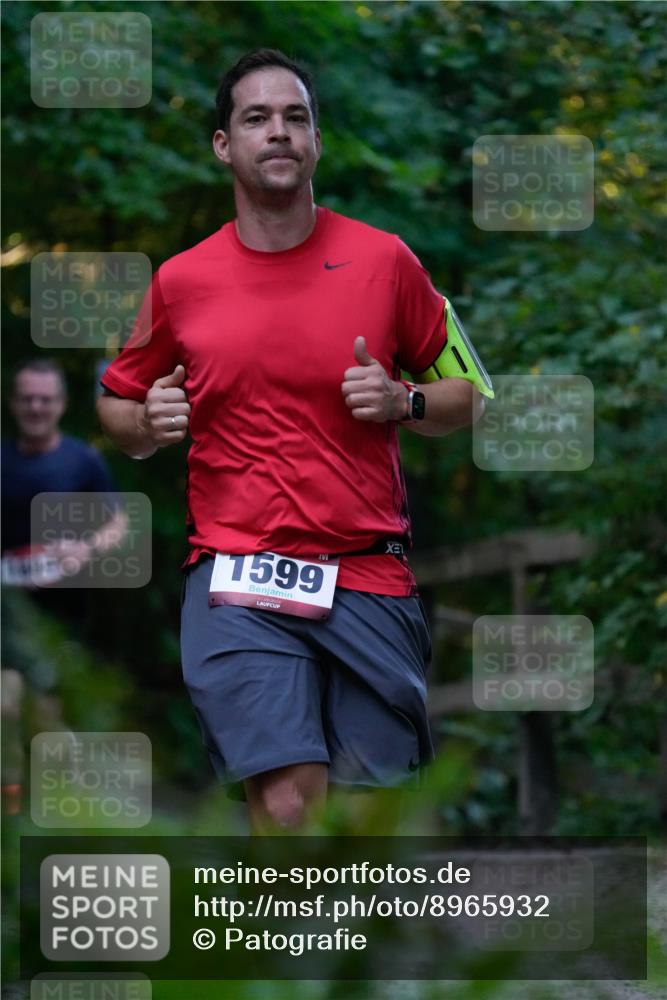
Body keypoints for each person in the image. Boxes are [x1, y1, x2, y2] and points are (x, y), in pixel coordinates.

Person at [96, 49, 485, 834]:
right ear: (223, 145)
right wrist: (146, 423)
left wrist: (403, 399)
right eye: (256, 118)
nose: (278, 131)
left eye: (295, 117)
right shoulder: (181, 281)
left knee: (367, 828)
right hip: (238, 574)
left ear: (315, 141)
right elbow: (118, 400)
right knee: (285, 808)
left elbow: (468, 396)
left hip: (366, 572)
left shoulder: (386, 261)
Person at [1, 358, 125, 814]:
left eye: (45, 399)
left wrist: (85, 549)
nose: (36, 407)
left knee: (44, 714)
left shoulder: (83, 461)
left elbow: (117, 525)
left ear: (61, 404)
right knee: (6, 705)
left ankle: (56, 803)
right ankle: (12, 814)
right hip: (7, 613)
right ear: (13, 402)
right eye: (27, 398)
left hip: (62, 616)